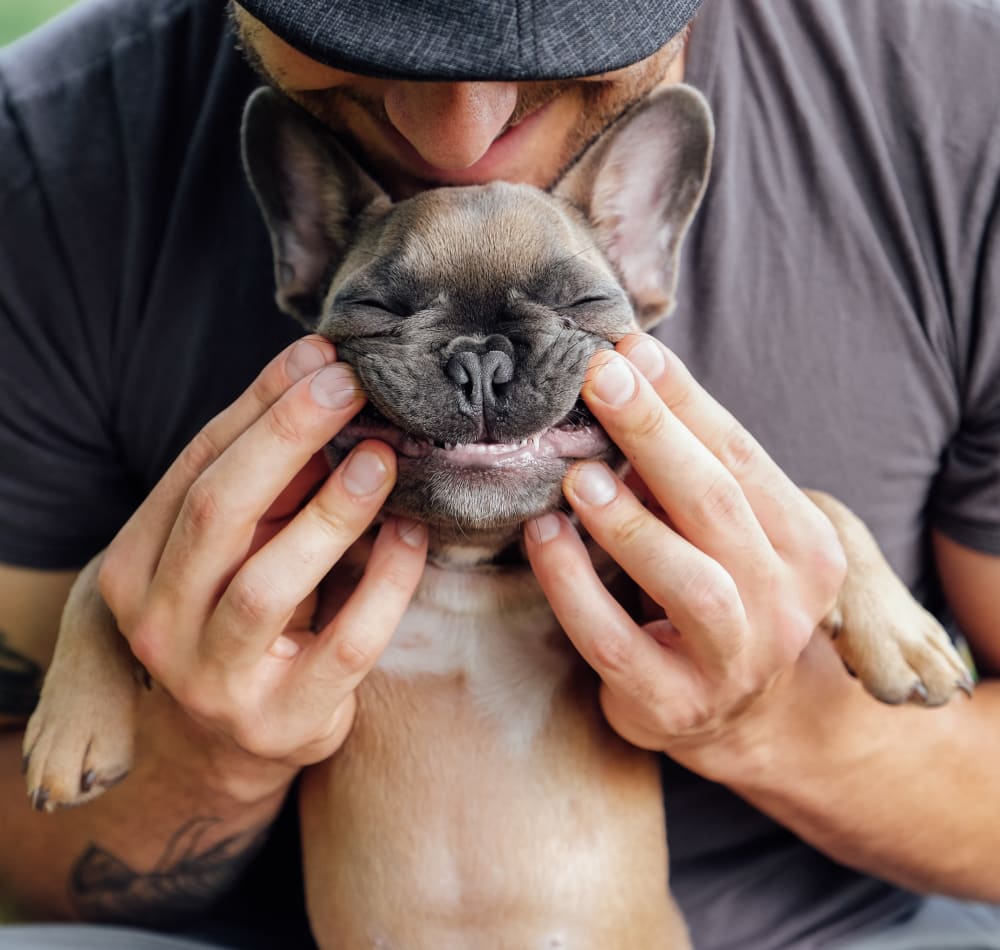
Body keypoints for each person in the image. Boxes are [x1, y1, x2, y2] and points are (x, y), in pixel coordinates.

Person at [0, 0, 998, 946]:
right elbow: (56, 739)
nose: (456, 133)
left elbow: (811, 537)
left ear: (640, 256)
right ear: (306, 263)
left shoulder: (956, 99)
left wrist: (781, 718)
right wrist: (202, 754)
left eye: (560, 44)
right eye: (393, 317)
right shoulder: (51, 152)